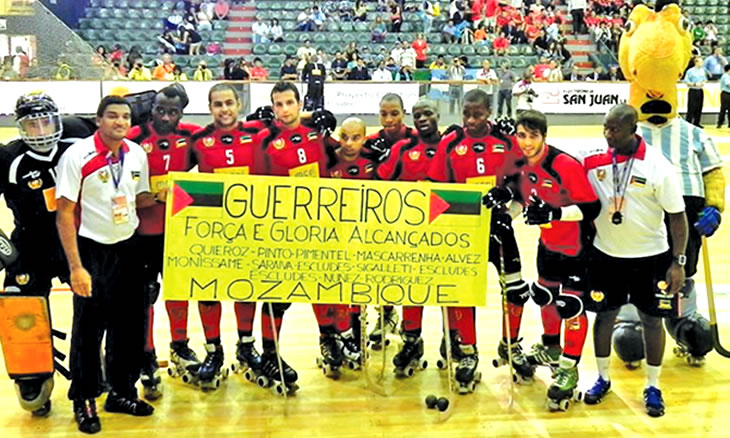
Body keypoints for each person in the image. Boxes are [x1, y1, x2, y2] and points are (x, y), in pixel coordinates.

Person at [56, 95, 159, 434]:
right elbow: (64, 213)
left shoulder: (136, 154)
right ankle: (83, 398)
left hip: (128, 247)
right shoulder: (77, 155)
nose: (119, 122)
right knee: (88, 330)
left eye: (125, 117)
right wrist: (75, 268)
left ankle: (121, 392)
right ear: (99, 120)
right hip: (91, 250)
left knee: (129, 325)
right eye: (112, 116)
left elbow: (140, 199)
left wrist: (172, 190)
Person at [582, 104, 688, 417]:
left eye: (614, 129)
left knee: (652, 321)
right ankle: (602, 378)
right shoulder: (593, 160)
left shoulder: (658, 166)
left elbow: (678, 218)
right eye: (605, 127)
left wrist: (678, 262)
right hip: (606, 255)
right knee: (604, 317)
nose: (607, 134)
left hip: (651, 258)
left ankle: (653, 386)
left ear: (633, 130)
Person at [428, 89, 533, 391]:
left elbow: (521, 184)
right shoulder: (451, 143)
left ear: (489, 112)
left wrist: (508, 213)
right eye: (466, 114)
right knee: (465, 293)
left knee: (515, 290)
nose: (471, 120)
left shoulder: (505, 141)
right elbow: (436, 194)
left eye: (478, 114)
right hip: (465, 232)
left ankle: (510, 345)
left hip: (501, 230)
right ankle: (468, 352)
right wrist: (468, 213)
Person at [501, 109, 601, 409]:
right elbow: (522, 198)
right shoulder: (521, 164)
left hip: (576, 248)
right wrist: (507, 218)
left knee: (570, 306)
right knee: (545, 297)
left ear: (544, 136)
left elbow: (591, 208)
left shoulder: (563, 164)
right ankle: (552, 349)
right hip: (548, 245)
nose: (527, 142)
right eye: (521, 136)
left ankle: (569, 371)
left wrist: (555, 214)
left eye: (533, 136)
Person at [251, 81, 334, 392]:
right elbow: (257, 186)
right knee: (277, 294)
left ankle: (328, 339)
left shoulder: (318, 134)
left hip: (320, 225)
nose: (284, 110)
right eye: (278, 104)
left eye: (289, 103)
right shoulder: (264, 139)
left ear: (300, 104)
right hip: (283, 229)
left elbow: (341, 157)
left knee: (320, 285)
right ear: (273, 107)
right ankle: (270, 353)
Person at [189, 84, 273, 390]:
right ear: (209, 107)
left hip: (249, 227)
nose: (223, 109)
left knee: (245, 287)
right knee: (208, 290)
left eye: (228, 103)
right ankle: (214, 350)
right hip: (211, 228)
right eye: (217, 104)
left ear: (239, 104)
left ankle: (246, 344)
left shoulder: (258, 135)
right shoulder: (197, 140)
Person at [126, 85, 203, 400]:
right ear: (151, 108)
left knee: (177, 290)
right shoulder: (133, 137)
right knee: (145, 296)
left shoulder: (193, 135)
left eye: (173, 111)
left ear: (181, 112)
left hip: (176, 232)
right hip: (141, 233)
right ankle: (145, 352)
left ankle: (180, 345)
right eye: (160, 110)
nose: (166, 117)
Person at [0, 93, 71, 419]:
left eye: (46, 121)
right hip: (29, 247)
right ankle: (33, 375)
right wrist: (5, 251)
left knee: (102, 300)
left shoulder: (77, 138)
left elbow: (125, 113)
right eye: (32, 123)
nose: (41, 131)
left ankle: (99, 364)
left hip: (75, 242)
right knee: (20, 308)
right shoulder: (8, 158)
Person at [376, 99, 448, 376]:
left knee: (447, 289)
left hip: (446, 233)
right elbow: (380, 184)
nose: (422, 119)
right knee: (412, 287)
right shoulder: (403, 149)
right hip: (410, 234)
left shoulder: (452, 145)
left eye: (428, 113)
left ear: (438, 115)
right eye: (417, 115)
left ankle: (453, 338)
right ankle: (411, 340)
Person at [684, 56, 707, 128]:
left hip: (700, 90)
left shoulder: (702, 70)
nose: (702, 63)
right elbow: (686, 81)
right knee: (691, 107)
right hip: (693, 90)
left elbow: (704, 79)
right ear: (696, 62)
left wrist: (703, 82)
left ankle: (697, 122)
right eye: (701, 62)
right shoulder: (690, 71)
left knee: (699, 106)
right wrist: (694, 84)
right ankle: (689, 122)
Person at [718, 64, 730, 129]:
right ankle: (720, 122)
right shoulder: (725, 76)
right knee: (724, 108)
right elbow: (728, 85)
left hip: (728, 93)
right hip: (725, 93)